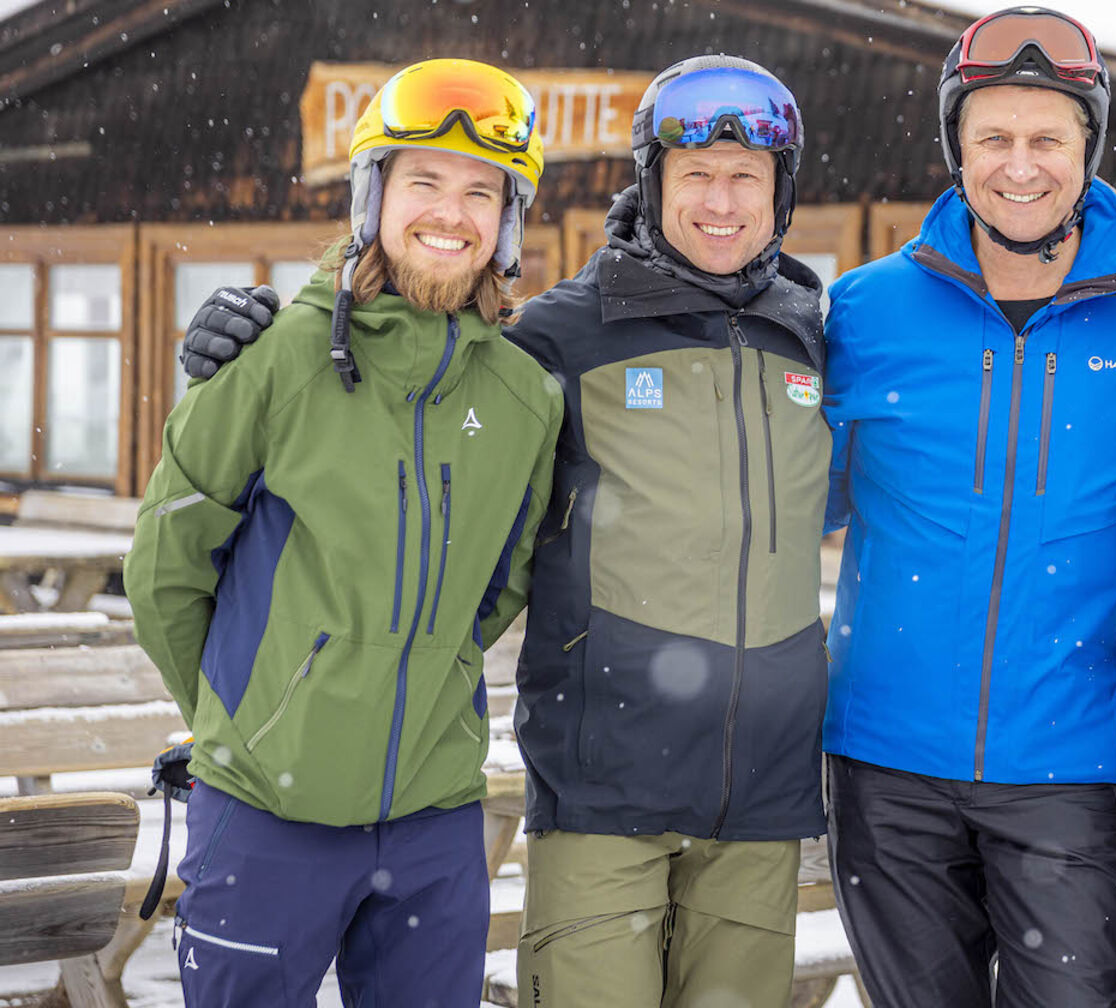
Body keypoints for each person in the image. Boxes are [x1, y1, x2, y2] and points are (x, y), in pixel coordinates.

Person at [179, 54, 829, 1008]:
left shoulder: (818, 333)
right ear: (652, 184)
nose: (720, 201)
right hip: (604, 787)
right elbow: (410, 358)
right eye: (695, 174)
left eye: (747, 178)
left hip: (763, 795)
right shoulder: (555, 341)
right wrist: (253, 328)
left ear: (782, 195)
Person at [125, 58, 562, 1007]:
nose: (451, 213)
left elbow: (500, 587)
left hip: (436, 821)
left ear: (508, 222)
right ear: (373, 198)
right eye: (424, 182)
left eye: (481, 192)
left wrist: (420, 680)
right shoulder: (277, 354)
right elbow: (167, 561)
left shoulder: (526, 400)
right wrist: (253, 713)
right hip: (266, 812)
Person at [821, 7, 1116, 1005]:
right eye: (993, 137)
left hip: (1072, 766)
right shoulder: (865, 310)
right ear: (957, 148)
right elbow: (785, 495)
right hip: (887, 767)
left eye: (1048, 139)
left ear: (1090, 150)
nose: (1019, 167)